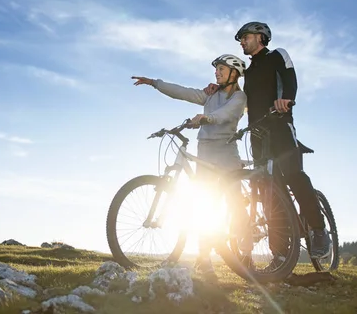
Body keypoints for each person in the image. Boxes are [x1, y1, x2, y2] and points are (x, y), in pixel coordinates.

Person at [204, 22, 331, 266]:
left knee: (294, 175)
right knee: (269, 193)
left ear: (260, 37)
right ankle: (280, 254)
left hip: (280, 126)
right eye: (240, 39)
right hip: (258, 134)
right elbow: (234, 91)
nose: (241, 42)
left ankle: (318, 230)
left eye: (245, 37)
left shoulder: (277, 56)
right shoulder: (248, 72)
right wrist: (216, 88)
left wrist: (287, 99)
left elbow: (290, 79)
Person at [132, 54, 251, 275]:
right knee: (205, 203)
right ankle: (204, 257)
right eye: (216, 70)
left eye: (222, 70)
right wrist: (155, 83)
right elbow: (183, 92)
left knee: (235, 204)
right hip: (204, 150)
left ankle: (246, 253)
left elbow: (227, 114)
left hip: (226, 152)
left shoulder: (240, 97)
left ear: (234, 74)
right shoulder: (210, 94)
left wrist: (206, 118)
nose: (217, 73)